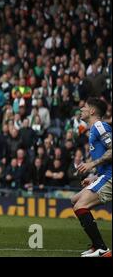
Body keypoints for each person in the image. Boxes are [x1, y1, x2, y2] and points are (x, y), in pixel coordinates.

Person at [71, 98, 111, 257]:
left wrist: (92, 164)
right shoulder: (94, 129)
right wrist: (95, 177)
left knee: (80, 205)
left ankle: (102, 249)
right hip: (105, 175)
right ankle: (97, 246)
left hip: (111, 177)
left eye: (85, 107)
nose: (81, 109)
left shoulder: (100, 126)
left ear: (92, 111)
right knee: (75, 200)